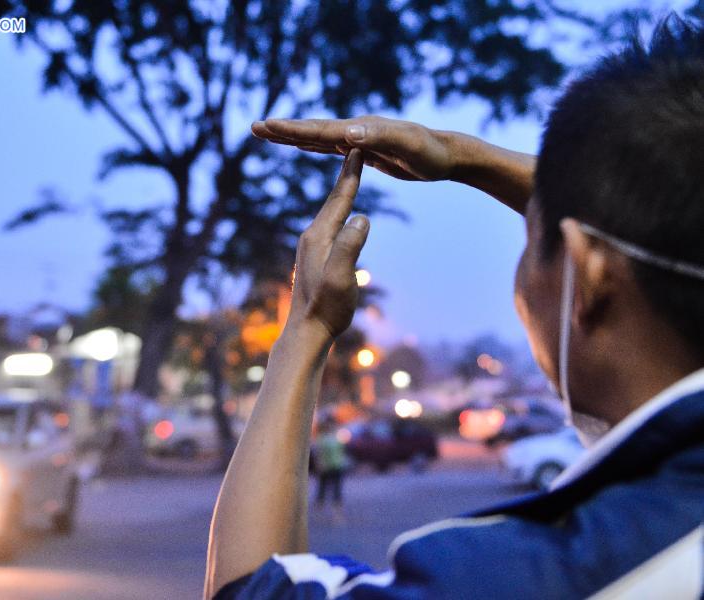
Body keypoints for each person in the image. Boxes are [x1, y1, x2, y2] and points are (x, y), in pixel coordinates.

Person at [204, 15, 704, 599]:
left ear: (589, 277)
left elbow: (246, 589)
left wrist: (307, 326)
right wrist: (464, 156)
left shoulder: (560, 575)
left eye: (530, 238)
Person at [312, 418, 349, 521]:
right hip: (325, 467)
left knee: (337, 489)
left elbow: (343, 450)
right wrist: (319, 465)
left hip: (337, 466)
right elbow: (317, 453)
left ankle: (337, 514)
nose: (331, 427)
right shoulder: (321, 438)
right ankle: (318, 511)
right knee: (322, 489)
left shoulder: (338, 437)